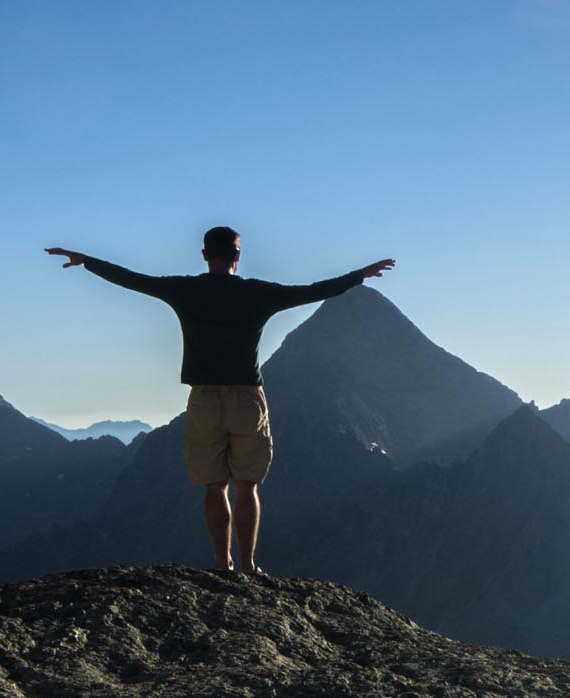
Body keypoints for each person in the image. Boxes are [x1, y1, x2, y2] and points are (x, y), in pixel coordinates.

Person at [46, 228, 394, 573]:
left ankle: (221, 563)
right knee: (247, 486)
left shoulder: (185, 290)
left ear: (204, 254)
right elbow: (313, 291)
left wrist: (87, 261)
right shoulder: (257, 294)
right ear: (237, 256)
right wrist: (360, 275)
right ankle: (248, 564)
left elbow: (133, 280)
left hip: (204, 399)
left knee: (214, 486)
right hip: (246, 398)